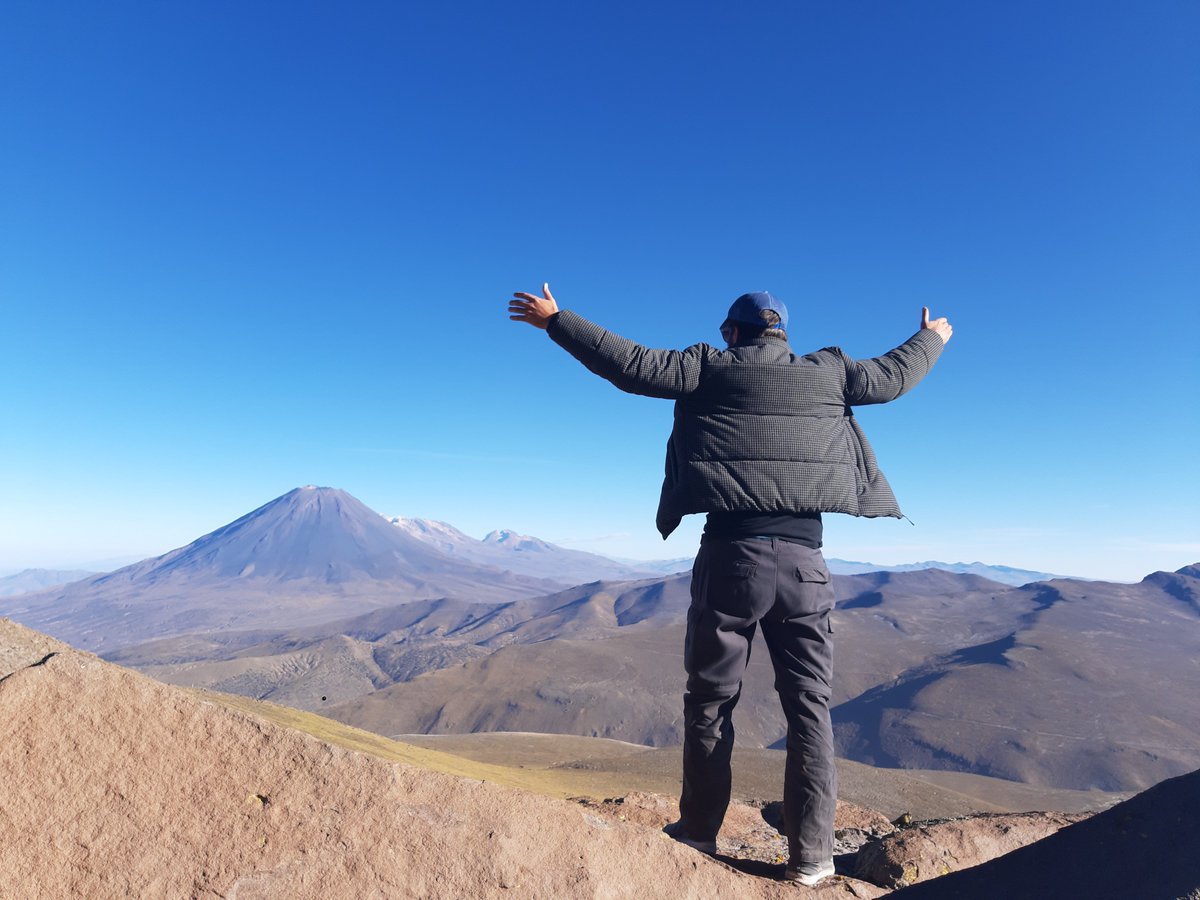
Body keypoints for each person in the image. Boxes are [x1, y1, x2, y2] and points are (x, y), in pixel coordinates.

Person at [508, 284, 952, 886]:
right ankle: (812, 860)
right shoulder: (828, 372)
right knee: (810, 710)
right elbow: (894, 376)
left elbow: (631, 364)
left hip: (729, 560)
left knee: (711, 702)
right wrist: (931, 338)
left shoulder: (709, 367)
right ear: (781, 333)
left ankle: (699, 834)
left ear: (737, 332)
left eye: (727, 332)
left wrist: (558, 322)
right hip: (805, 566)